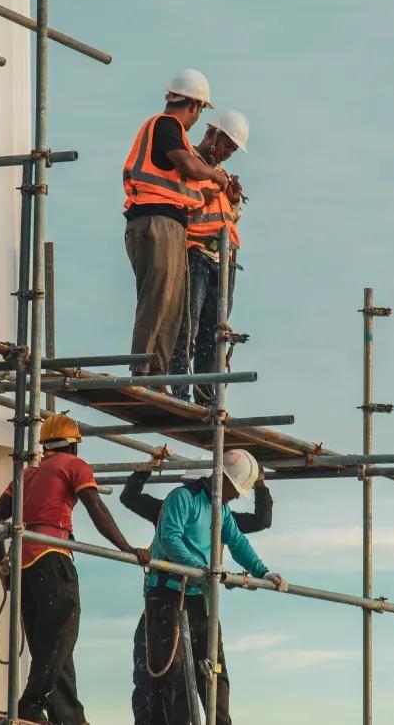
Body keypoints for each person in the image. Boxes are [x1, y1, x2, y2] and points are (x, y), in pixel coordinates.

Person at [0, 413, 151, 725]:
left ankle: (69, 716)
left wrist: (4, 566)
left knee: (51, 644)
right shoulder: (73, 466)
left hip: (24, 565)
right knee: (61, 637)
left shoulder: (26, 475)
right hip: (52, 556)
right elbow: (97, 508)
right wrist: (127, 547)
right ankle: (30, 705)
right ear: (73, 447)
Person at [121, 461, 273, 725]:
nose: (237, 495)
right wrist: (198, 567)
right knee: (173, 677)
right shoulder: (182, 499)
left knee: (215, 672)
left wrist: (263, 572)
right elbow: (170, 537)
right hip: (170, 595)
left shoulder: (221, 510)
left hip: (199, 598)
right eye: (236, 488)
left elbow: (237, 541)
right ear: (221, 478)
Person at [123, 69, 230, 376]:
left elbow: (187, 185)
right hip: (153, 220)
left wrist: (217, 188)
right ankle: (141, 370)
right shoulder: (166, 125)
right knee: (157, 298)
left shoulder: (173, 136)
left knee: (171, 306)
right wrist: (213, 174)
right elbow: (188, 165)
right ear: (195, 106)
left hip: (168, 224)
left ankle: (157, 373)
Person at [168, 110, 250, 403]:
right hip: (196, 254)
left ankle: (206, 400)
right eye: (227, 144)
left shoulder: (221, 175)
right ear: (211, 134)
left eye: (232, 148)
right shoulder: (188, 162)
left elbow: (229, 217)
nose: (228, 152)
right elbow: (178, 203)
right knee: (186, 328)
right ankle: (179, 393)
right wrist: (205, 197)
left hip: (224, 262)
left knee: (213, 337)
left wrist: (234, 199)